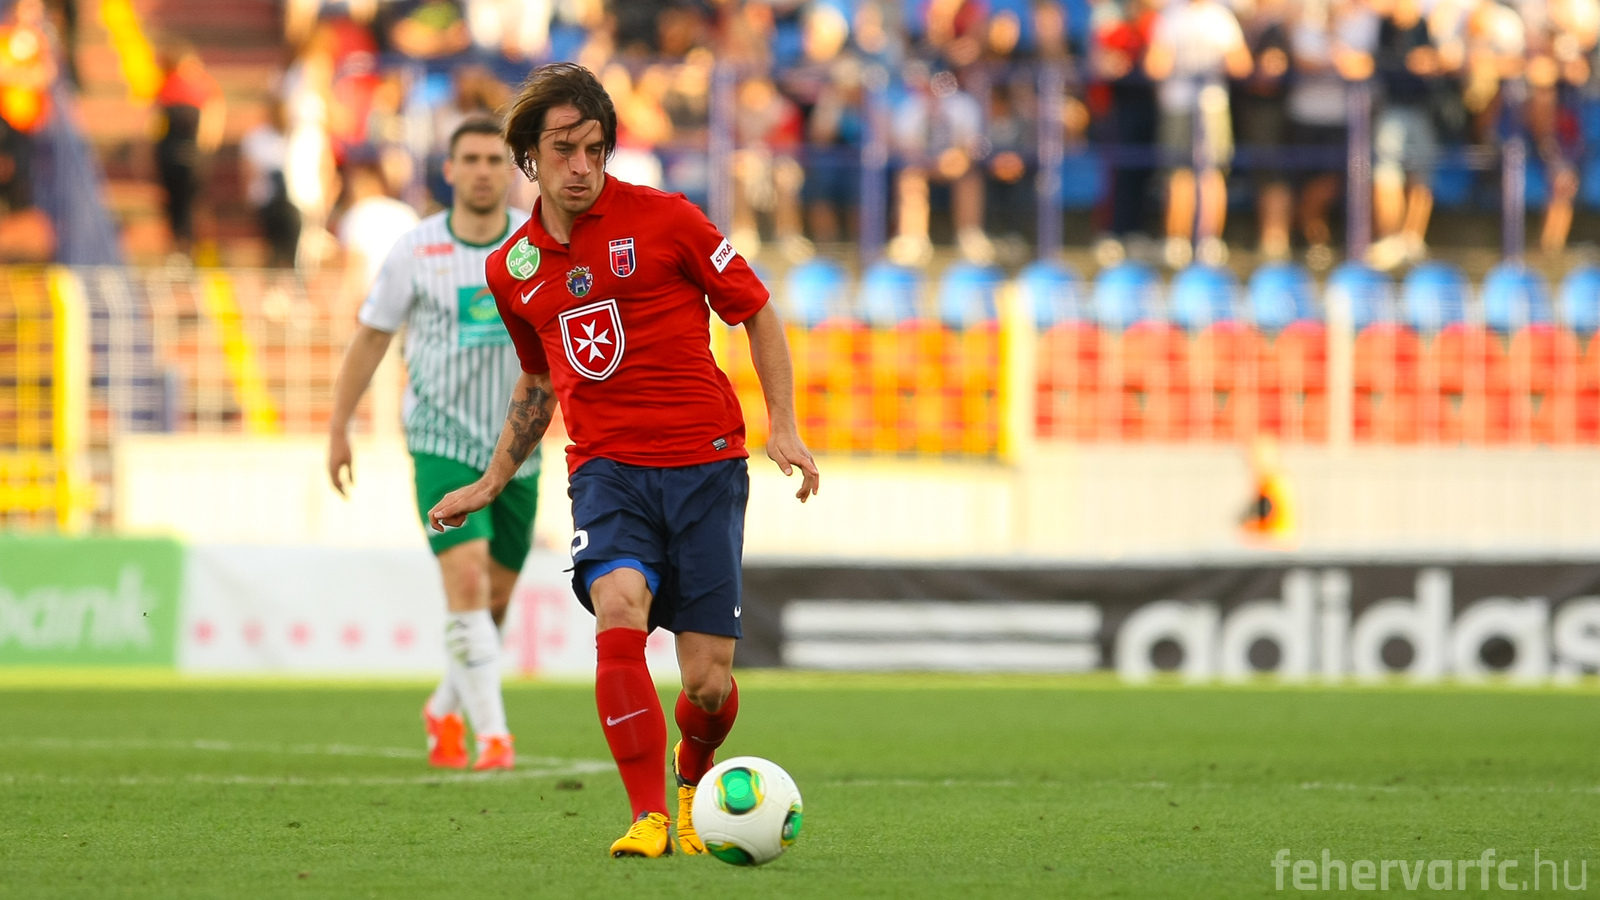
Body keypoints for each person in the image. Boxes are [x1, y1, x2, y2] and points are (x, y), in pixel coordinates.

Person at [427, 62, 819, 859]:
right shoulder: (512, 268)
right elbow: (540, 380)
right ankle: (648, 817)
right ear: (529, 156)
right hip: (606, 471)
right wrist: (493, 479)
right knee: (618, 605)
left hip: (706, 464)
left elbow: (757, 311)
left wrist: (782, 425)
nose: (581, 166)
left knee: (706, 682)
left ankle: (691, 771)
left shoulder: (668, 219)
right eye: (563, 150)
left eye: (594, 149)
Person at [327, 118, 536, 772]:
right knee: (467, 579)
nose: (482, 171)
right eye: (470, 159)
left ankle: (445, 706)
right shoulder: (415, 249)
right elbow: (372, 336)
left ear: (511, 170)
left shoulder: (535, 244)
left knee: (494, 603)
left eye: (494, 160)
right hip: (440, 438)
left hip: (517, 448)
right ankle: (494, 737)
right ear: (448, 170)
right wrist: (339, 425)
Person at [1145, 0, 1252, 268]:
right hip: (1178, 105)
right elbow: (1154, 65)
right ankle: (1177, 241)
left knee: (1211, 174)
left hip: (1211, 105)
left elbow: (1241, 64)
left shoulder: (1220, 17)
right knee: (1178, 175)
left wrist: (1207, 64)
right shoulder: (1172, 15)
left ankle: (1207, 241)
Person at [152, 41, 224, 261]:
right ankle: (180, 248)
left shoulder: (202, 86)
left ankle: (188, 248)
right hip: (175, 152)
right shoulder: (169, 85)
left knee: (189, 204)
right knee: (177, 204)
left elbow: (213, 120)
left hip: (189, 153)